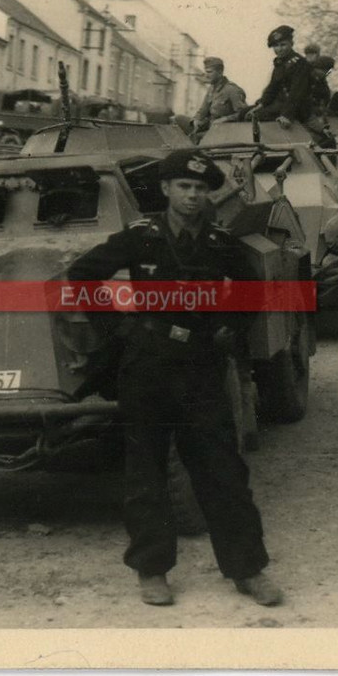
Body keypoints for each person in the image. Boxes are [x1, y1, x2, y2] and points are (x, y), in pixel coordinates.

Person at [67, 149, 282, 608]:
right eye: (184, 187)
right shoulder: (141, 238)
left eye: (201, 189)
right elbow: (83, 275)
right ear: (166, 189)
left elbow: (252, 288)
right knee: (146, 471)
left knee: (223, 471)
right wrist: (119, 329)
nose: (192, 196)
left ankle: (247, 569)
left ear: (210, 195)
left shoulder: (220, 243)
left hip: (201, 369)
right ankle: (152, 570)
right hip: (146, 366)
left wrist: (229, 327)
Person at [248, 25, 312, 129]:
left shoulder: (300, 63)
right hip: (280, 104)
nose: (279, 49)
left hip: (297, 107)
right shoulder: (280, 63)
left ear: (291, 44)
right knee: (246, 113)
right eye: (276, 46)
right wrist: (262, 104)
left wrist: (286, 115)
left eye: (283, 45)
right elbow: (273, 87)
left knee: (256, 117)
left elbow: (297, 92)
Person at [190, 56, 247, 141]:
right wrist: (196, 119)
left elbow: (243, 114)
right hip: (210, 130)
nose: (206, 75)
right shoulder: (211, 90)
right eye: (206, 72)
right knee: (178, 121)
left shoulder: (232, 90)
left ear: (220, 72)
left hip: (225, 133)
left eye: (210, 72)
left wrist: (225, 119)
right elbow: (202, 111)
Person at [303, 43, 335, 116]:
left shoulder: (321, 67)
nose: (310, 57)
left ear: (317, 55)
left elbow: (324, 90)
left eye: (313, 54)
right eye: (308, 54)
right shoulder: (303, 68)